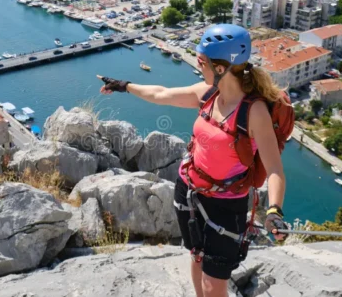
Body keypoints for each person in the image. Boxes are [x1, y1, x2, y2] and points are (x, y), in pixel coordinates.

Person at [98, 24, 288, 297]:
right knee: (196, 255)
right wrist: (124, 86)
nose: (198, 65)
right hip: (188, 192)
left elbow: (275, 169)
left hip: (225, 206)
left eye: (201, 61)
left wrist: (274, 211)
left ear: (220, 67)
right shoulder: (209, 94)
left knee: (214, 287)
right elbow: (161, 94)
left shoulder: (253, 112)